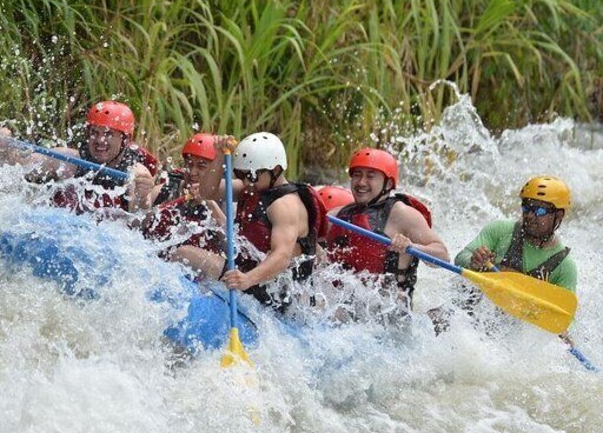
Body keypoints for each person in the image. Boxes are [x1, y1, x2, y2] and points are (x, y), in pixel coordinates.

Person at [172, 132, 325, 311]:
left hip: (275, 291)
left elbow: (282, 256)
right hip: (252, 273)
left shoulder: (285, 206)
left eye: (251, 175)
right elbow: (208, 192)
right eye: (240, 174)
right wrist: (219, 156)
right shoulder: (253, 186)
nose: (246, 181)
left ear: (275, 171)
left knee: (185, 254)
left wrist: (246, 280)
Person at [324, 147, 449, 301]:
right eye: (357, 175)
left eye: (371, 176)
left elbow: (443, 257)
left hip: (390, 315)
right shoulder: (337, 215)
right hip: (342, 310)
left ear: (388, 184)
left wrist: (412, 247)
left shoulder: (403, 215)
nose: (361, 182)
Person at [0, 100, 159, 213]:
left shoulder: (136, 172)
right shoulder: (69, 160)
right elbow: (16, 167)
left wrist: (142, 196)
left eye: (108, 135)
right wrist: (4, 147)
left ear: (126, 139)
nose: (100, 140)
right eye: (94, 133)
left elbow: (138, 221)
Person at [455, 175, 577, 291]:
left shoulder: (564, 267)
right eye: (526, 207)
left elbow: (565, 310)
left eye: (539, 210)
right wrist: (474, 263)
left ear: (558, 215)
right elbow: (459, 258)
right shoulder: (500, 230)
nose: (529, 215)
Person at [141, 133, 226, 259]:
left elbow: (233, 246)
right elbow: (138, 222)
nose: (192, 172)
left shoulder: (225, 198)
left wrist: (209, 204)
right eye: (189, 164)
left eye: (201, 166)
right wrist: (141, 195)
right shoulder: (166, 189)